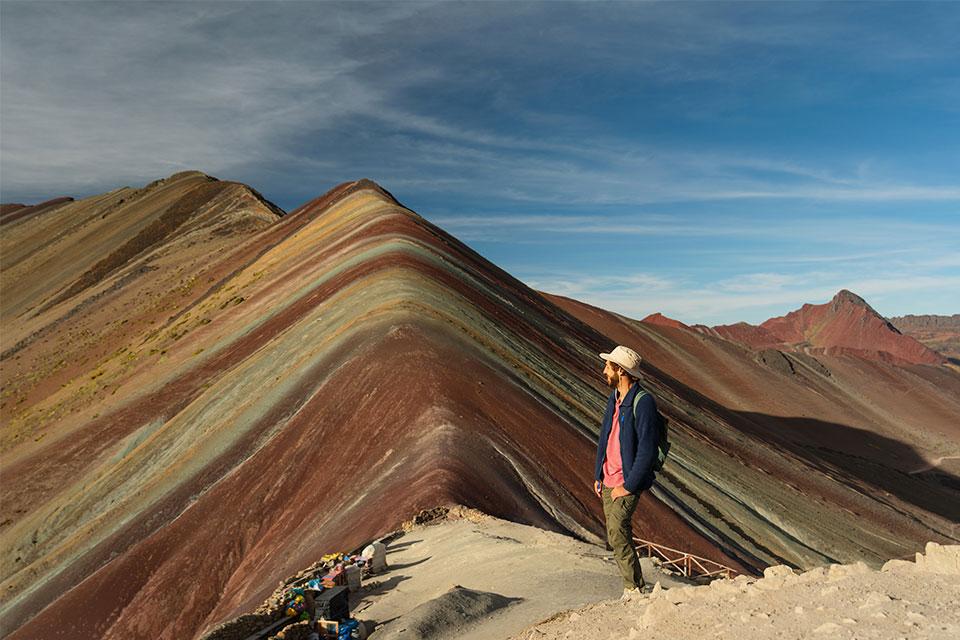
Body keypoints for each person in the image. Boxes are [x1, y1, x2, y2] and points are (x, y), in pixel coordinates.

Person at [593, 345, 661, 599]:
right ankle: (634, 587)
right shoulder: (615, 398)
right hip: (608, 477)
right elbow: (605, 437)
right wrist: (598, 473)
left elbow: (646, 449)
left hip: (627, 480)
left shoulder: (643, 403)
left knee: (618, 530)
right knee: (615, 533)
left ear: (620, 370)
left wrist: (629, 485)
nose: (604, 371)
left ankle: (634, 589)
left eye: (608, 366)